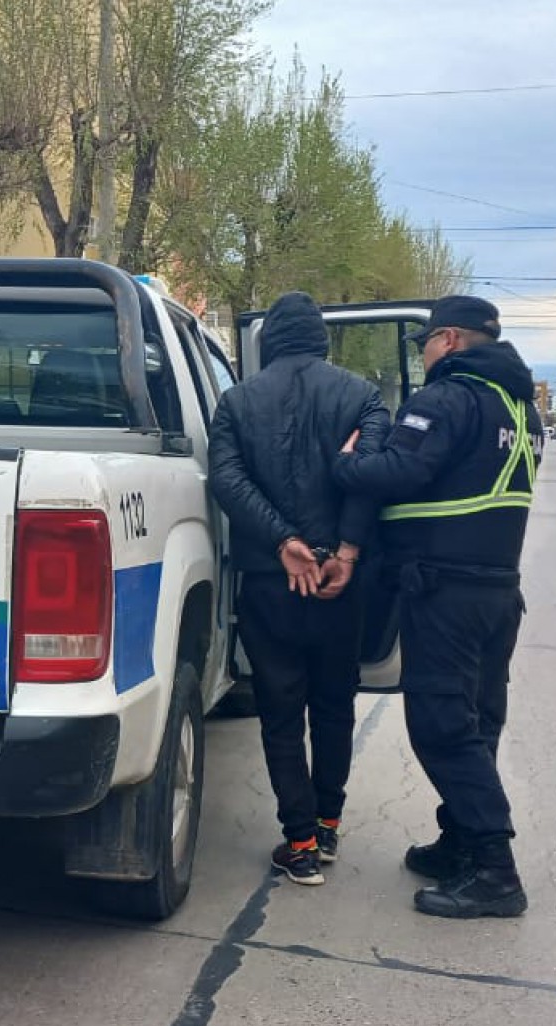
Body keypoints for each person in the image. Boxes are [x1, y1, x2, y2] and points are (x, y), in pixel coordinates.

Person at [330, 295, 541, 918]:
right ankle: (462, 842)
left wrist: (346, 464)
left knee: (442, 726)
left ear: (448, 339)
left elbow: (398, 472)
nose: (422, 354)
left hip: (446, 590)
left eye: (424, 343)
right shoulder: (519, 407)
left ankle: (495, 871)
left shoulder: (447, 398)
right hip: (497, 590)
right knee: (477, 721)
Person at [210, 291, 391, 886]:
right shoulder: (362, 396)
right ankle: (329, 824)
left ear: (267, 343)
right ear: (322, 340)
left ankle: (301, 841)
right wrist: (345, 552)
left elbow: (227, 479)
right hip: (341, 586)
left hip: (270, 583)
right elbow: (369, 479)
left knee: (281, 712)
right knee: (335, 707)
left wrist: (282, 540)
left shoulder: (236, 401)